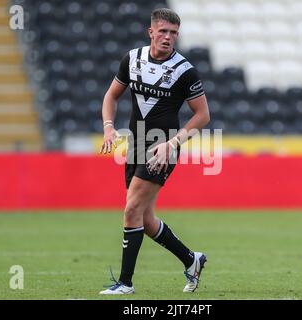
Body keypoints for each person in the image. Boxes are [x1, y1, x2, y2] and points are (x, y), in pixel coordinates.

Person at [99, 8, 210, 295]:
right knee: (145, 219)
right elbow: (111, 95)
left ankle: (125, 283)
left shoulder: (185, 71)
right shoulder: (132, 59)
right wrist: (109, 127)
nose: (168, 37)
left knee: (131, 210)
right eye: (163, 31)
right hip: (135, 144)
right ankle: (192, 260)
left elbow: (202, 115)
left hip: (163, 148)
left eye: (173, 33)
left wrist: (172, 144)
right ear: (151, 32)